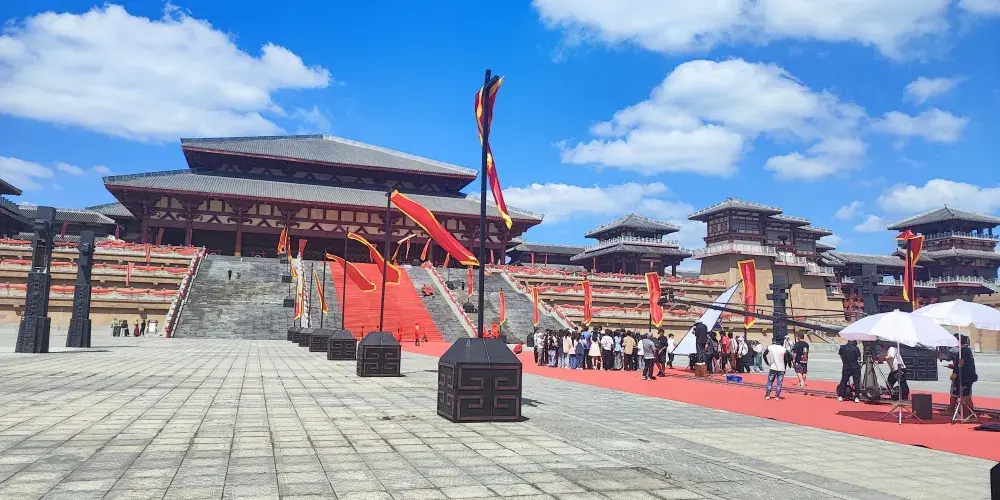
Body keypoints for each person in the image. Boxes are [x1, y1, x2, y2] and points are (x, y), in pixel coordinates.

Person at [947, 335, 978, 416]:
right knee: (965, 396)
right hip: (967, 377)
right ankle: (968, 414)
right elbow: (962, 364)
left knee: (965, 396)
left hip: (964, 378)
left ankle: (970, 414)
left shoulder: (962, 351)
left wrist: (953, 376)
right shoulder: (967, 350)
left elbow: (960, 365)